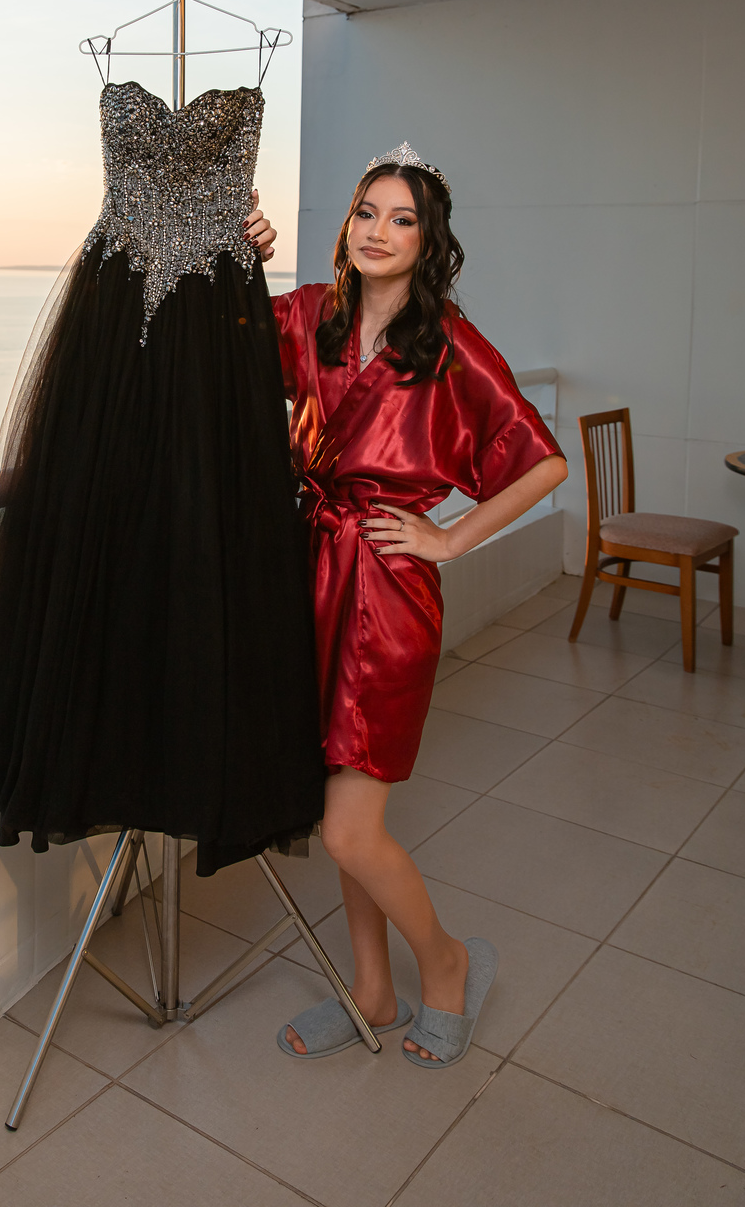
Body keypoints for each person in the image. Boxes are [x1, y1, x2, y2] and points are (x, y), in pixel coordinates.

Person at [243, 145, 566, 1068]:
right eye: (366, 213)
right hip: (308, 571)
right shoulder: (312, 315)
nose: (378, 231)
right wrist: (238, 253)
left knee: (351, 826)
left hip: (385, 595)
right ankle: (374, 993)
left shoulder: (451, 345)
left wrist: (449, 539)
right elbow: (219, 347)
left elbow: (543, 461)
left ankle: (448, 961)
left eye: (402, 219)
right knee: (340, 817)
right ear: (346, 225)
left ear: (429, 241)